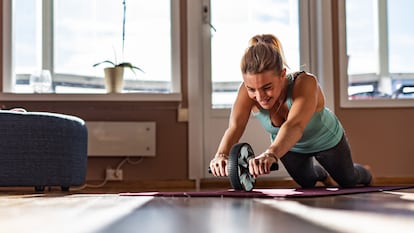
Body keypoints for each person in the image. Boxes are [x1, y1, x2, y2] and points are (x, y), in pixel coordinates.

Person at [209, 34, 372, 188]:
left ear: (282, 74)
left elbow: (294, 125)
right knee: (307, 182)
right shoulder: (245, 92)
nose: (259, 97)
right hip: (290, 146)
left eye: (267, 88)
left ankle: (366, 173)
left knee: (348, 180)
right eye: (252, 89)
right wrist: (221, 155)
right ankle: (322, 174)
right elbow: (235, 127)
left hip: (326, 140)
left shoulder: (306, 82)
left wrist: (270, 154)